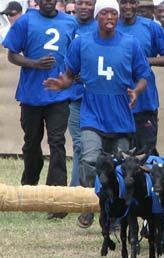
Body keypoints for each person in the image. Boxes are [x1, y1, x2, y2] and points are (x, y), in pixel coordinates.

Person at [43, 0, 150, 227]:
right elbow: (70, 74)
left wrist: (137, 91)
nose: (109, 17)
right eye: (105, 13)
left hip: (120, 115)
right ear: (97, 17)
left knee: (120, 168)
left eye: (113, 13)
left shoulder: (130, 44)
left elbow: (143, 76)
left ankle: (116, 213)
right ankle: (91, 204)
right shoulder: (82, 43)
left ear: (118, 16)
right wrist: (61, 84)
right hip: (92, 113)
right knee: (89, 159)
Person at [3, 0, 77, 219]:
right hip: (31, 94)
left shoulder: (69, 22)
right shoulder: (25, 20)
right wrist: (34, 63)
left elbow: (75, 54)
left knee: (57, 143)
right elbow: (12, 54)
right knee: (32, 143)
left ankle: (58, 202)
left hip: (59, 95)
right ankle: (29, 187)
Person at [118, 0, 164, 157]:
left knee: (146, 155)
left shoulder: (151, 27)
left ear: (137, 3)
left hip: (144, 102)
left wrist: (146, 61)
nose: (128, 6)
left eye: (131, 2)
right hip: (116, 103)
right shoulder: (110, 26)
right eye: (123, 2)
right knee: (121, 156)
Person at [69, 0, 98, 228]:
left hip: (99, 101)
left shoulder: (103, 28)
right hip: (75, 99)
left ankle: (93, 197)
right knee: (80, 146)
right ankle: (76, 195)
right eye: (81, 2)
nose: (84, 7)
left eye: (89, 3)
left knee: (98, 152)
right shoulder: (67, 26)